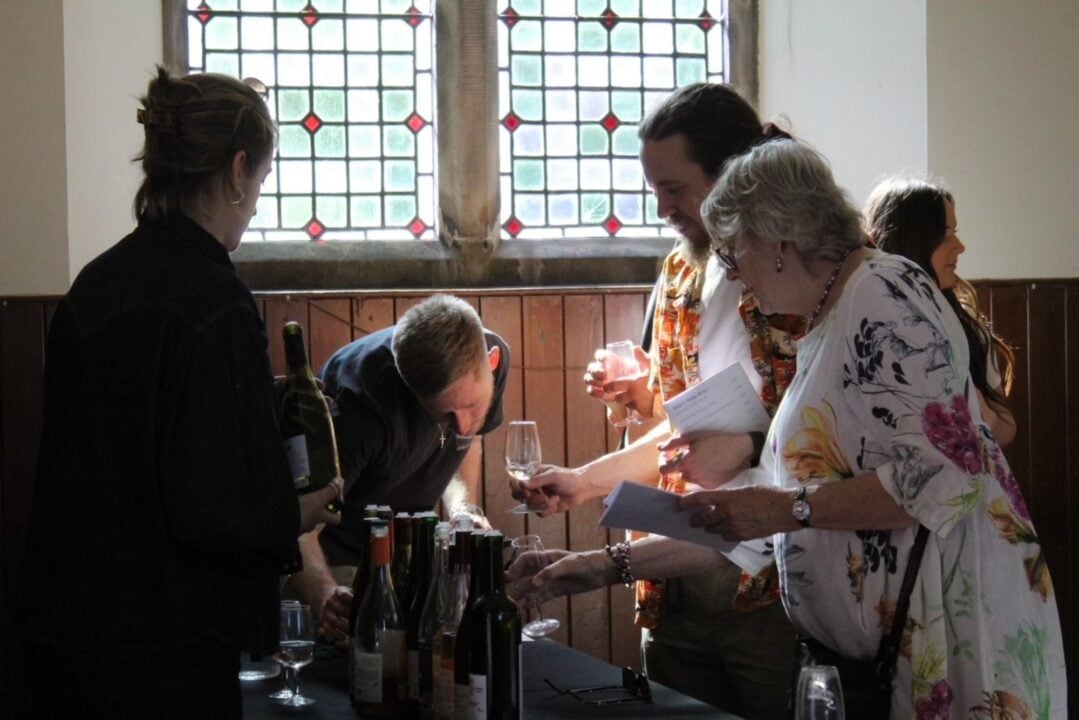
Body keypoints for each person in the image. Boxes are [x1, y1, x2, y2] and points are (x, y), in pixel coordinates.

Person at [680, 140, 1067, 717]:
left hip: (950, 628)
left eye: (735, 255)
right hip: (891, 643)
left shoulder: (883, 293)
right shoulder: (834, 309)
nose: (735, 276)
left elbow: (942, 476)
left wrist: (786, 510)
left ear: (780, 243)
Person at [15, 67, 342, 719]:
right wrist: (293, 519)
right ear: (237, 169)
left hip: (67, 627)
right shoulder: (213, 302)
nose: (253, 203)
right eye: (259, 183)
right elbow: (212, 503)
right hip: (164, 646)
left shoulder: (96, 285)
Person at [509, 83, 800, 719]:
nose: (663, 207)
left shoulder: (796, 275)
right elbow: (675, 427)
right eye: (654, 190)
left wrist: (748, 443)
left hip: (773, 585)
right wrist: (582, 483)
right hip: (674, 573)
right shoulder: (679, 273)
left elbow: (822, 436)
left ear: (731, 175)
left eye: (675, 189)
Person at [288, 293, 510, 644]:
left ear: (492, 362)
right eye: (444, 414)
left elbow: (465, 442)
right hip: (334, 562)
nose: (464, 424)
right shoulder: (361, 406)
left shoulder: (490, 357)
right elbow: (296, 525)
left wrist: (462, 509)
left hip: (408, 555)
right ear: (409, 388)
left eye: (471, 406)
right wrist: (324, 595)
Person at [864, 177, 1017, 446]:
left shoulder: (968, 329)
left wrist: (983, 416)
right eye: (945, 234)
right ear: (908, 238)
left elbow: (1006, 427)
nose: (960, 246)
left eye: (955, 231)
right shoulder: (862, 329)